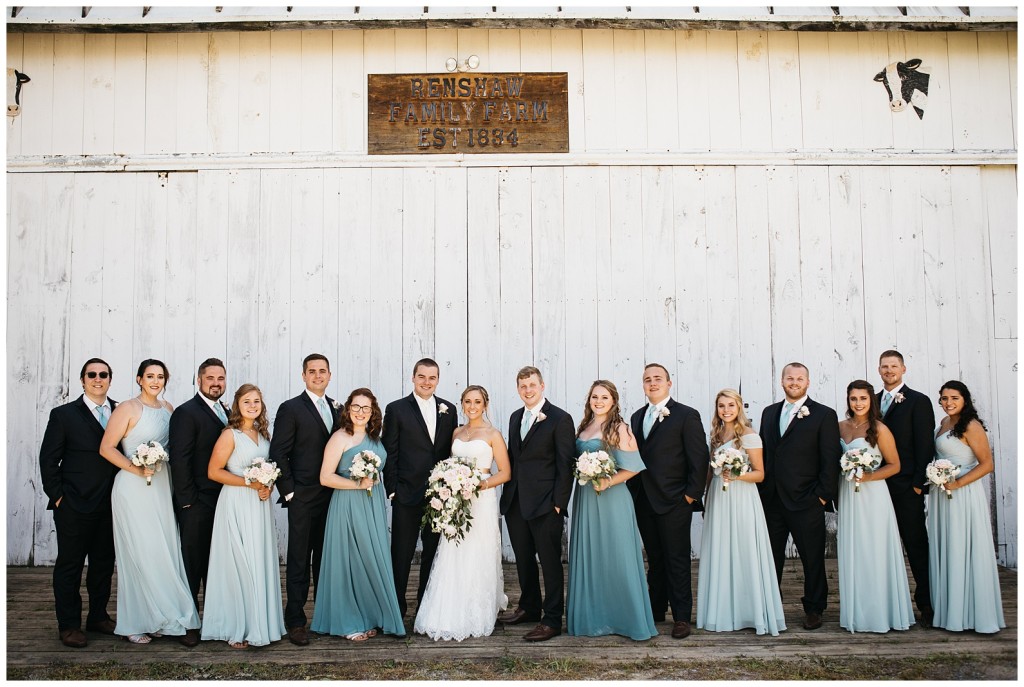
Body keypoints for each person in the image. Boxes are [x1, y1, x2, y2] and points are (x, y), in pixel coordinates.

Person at [98, 359, 200, 645]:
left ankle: (158, 617)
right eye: (150, 376)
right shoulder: (128, 409)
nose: (155, 381)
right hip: (133, 487)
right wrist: (136, 468)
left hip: (161, 486)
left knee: (162, 551)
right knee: (138, 553)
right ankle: (135, 621)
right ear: (139, 378)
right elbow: (106, 448)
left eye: (160, 376)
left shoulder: (168, 410)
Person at [414, 385, 511, 640]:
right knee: (453, 551)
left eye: (477, 402)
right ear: (462, 403)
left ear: (485, 404)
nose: (472, 406)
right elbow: (449, 465)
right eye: (467, 401)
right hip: (457, 499)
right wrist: (448, 483)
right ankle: (448, 607)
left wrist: (479, 484)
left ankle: (477, 608)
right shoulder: (457, 431)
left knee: (477, 550)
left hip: (481, 498)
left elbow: (505, 472)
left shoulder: (493, 434)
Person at [311, 388, 405, 641]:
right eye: (355, 407)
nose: (360, 412)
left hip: (372, 505)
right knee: (349, 559)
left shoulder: (376, 439)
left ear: (373, 411)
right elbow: (325, 477)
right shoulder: (340, 437)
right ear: (348, 410)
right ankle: (348, 622)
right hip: (348, 503)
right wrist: (357, 484)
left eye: (366, 408)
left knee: (370, 558)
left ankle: (370, 614)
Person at [566, 380, 656, 641]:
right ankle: (592, 617)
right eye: (594, 396)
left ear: (614, 401)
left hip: (612, 498)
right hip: (585, 497)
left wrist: (607, 480)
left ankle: (626, 619)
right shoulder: (584, 427)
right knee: (591, 554)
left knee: (617, 556)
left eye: (604, 397)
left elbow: (634, 467)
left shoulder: (620, 428)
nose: (599, 401)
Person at [39, 358, 119, 648]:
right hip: (74, 504)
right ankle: (69, 624)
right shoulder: (64, 415)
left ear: (110, 379)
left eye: (104, 374)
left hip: (110, 504)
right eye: (92, 374)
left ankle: (98, 616)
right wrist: (59, 496)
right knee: (70, 566)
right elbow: (48, 459)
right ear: (83, 380)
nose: (98, 379)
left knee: (103, 564)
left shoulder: (120, 411)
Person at [201, 384, 286, 648]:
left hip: (258, 506)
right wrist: (249, 484)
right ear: (237, 405)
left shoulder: (264, 434)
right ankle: (237, 625)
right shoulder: (230, 435)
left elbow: (270, 470)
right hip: (236, 502)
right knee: (239, 563)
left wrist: (268, 487)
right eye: (247, 401)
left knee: (257, 560)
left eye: (257, 401)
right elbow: (214, 472)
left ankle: (261, 622)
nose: (252, 405)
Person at [628, 363, 709, 640]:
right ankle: (657, 608)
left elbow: (699, 458)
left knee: (676, 558)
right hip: (644, 501)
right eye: (647, 379)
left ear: (669, 383)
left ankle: (682, 617)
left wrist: (690, 496)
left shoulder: (686, 415)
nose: (653, 383)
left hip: (675, 500)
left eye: (658, 379)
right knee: (656, 558)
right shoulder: (637, 417)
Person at [758, 362, 841, 631]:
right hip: (772, 500)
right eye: (789, 378)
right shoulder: (769, 413)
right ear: (782, 381)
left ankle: (814, 608)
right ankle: (772, 605)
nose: (794, 382)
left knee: (812, 557)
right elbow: (766, 454)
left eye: (800, 378)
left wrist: (821, 496)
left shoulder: (823, 414)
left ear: (808, 382)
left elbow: (830, 458)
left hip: (806, 499)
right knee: (770, 557)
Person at [697, 389, 785, 636]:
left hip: (742, 496)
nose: (726, 410)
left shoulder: (749, 435)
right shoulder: (715, 435)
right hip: (718, 496)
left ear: (739, 408)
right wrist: (706, 497)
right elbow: (708, 471)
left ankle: (749, 611)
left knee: (743, 548)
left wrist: (737, 475)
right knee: (720, 549)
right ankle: (722, 610)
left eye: (730, 406)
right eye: (721, 406)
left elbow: (760, 474)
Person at [497, 366, 575, 642]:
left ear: (542, 385)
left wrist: (558, 504)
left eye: (532, 385)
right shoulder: (515, 417)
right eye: (522, 386)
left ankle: (552, 619)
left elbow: (566, 465)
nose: (527, 390)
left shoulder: (560, 419)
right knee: (524, 559)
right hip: (516, 501)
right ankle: (529, 607)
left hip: (545, 504)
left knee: (550, 563)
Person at [269, 353, 338, 645]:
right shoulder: (291, 408)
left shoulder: (338, 408)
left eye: (323, 371)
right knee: (299, 560)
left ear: (329, 375)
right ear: (304, 375)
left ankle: (323, 616)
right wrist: (290, 492)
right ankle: (295, 619)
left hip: (332, 497)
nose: (318, 376)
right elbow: (277, 453)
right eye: (312, 371)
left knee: (326, 558)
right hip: (302, 498)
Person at [382, 358, 458, 619]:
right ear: (413, 378)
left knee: (433, 552)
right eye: (422, 377)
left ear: (438, 380)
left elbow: (449, 452)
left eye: (432, 378)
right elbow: (390, 451)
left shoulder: (449, 409)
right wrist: (392, 490)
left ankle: (426, 606)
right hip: (406, 493)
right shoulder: (396, 409)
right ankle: (396, 609)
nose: (427, 382)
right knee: (401, 554)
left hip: (439, 495)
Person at [837, 380, 914, 633]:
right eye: (853, 399)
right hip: (849, 494)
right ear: (848, 401)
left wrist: (868, 476)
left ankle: (881, 612)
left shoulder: (879, 429)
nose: (858, 403)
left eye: (863, 398)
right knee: (854, 549)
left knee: (874, 550)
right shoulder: (840, 427)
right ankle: (857, 612)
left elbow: (894, 465)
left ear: (871, 401)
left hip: (873, 495)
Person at [928, 381, 1005, 633]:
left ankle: (972, 614)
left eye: (954, 398)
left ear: (965, 400)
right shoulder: (943, 423)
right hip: (943, 494)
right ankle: (951, 610)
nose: (948, 402)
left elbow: (987, 464)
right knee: (949, 546)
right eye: (944, 398)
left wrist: (958, 483)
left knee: (964, 545)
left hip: (963, 493)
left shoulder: (970, 425)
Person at [876, 349, 935, 627]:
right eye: (884, 366)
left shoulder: (918, 401)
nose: (889, 371)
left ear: (903, 369)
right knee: (880, 545)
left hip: (905, 486)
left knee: (915, 544)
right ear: (879, 370)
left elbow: (925, 445)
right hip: (877, 487)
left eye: (893, 366)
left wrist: (917, 486)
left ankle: (927, 602)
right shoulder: (872, 401)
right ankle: (884, 600)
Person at [169, 358, 229, 614]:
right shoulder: (186, 412)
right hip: (196, 501)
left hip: (222, 499)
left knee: (215, 562)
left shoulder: (225, 411)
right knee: (192, 562)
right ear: (199, 380)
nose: (216, 383)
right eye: (210, 378)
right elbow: (179, 458)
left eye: (220, 379)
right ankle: (189, 620)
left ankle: (214, 616)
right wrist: (187, 501)